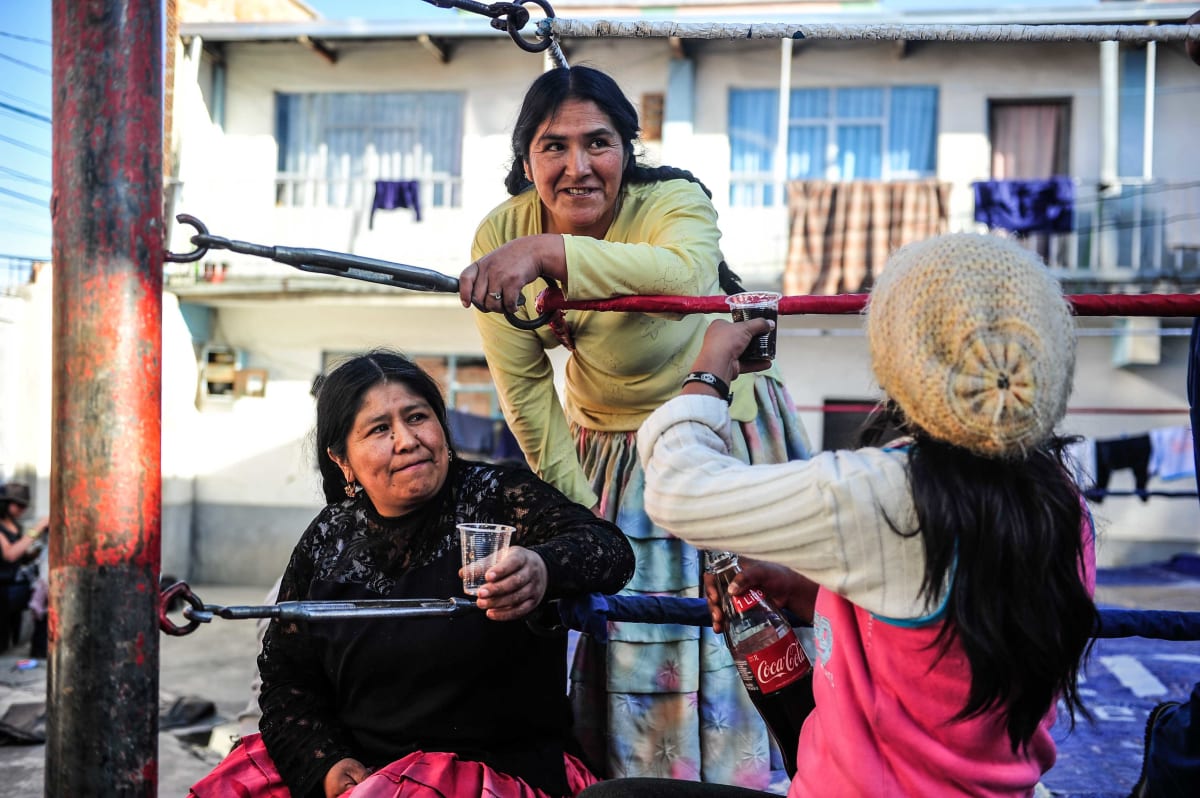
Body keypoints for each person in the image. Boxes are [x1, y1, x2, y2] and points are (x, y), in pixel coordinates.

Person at [600, 232, 1099, 796]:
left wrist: (708, 373)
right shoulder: (1062, 500)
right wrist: (813, 594)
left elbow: (676, 489)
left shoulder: (888, 490)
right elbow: (944, 631)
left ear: (901, 352)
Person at [458, 64, 812, 788]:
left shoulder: (671, 199)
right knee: (636, 640)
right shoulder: (502, 232)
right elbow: (525, 390)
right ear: (526, 159)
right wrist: (578, 510)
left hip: (726, 435)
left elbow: (685, 275)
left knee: (750, 625)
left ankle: (758, 782)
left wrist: (549, 253)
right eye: (553, 147)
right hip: (613, 459)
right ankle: (640, 785)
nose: (578, 167)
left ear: (628, 149)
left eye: (599, 143)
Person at [188, 349, 635, 798]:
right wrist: (324, 762)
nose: (406, 439)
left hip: (489, 769)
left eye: (417, 417)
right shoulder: (329, 539)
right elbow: (288, 680)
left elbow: (610, 550)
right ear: (343, 459)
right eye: (380, 429)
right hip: (359, 767)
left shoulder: (497, 497)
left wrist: (542, 568)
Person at [0, 482, 46, 654]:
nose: (22, 509)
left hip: (15, 586)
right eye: (19, 505)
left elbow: (21, 556)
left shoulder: (14, 525)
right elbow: (10, 554)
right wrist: (37, 529)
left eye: (24, 506)